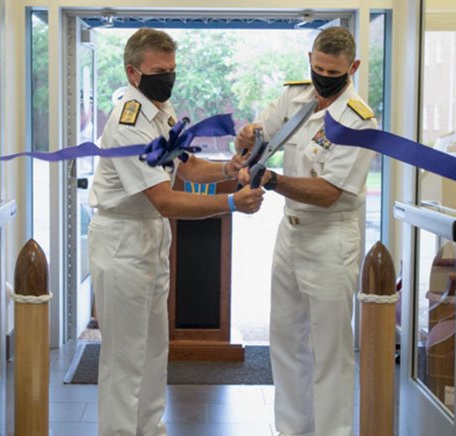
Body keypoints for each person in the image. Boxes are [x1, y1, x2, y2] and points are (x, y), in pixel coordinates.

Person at [88, 28, 264, 436]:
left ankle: (150, 429)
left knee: (152, 352)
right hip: (122, 240)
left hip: (150, 237)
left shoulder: (160, 110)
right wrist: (232, 203)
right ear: (133, 73)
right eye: (157, 71)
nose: (166, 77)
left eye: (171, 69)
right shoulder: (129, 122)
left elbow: (185, 166)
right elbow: (165, 199)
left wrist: (228, 167)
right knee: (124, 357)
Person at [237, 27, 377, 436]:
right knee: (286, 342)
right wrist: (247, 135)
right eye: (317, 67)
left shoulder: (358, 120)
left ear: (352, 68)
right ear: (309, 58)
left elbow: (331, 192)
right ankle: (292, 430)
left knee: (330, 351)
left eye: (333, 71)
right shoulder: (295, 98)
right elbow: (256, 139)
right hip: (290, 235)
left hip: (330, 237)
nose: (322, 77)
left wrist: (275, 181)